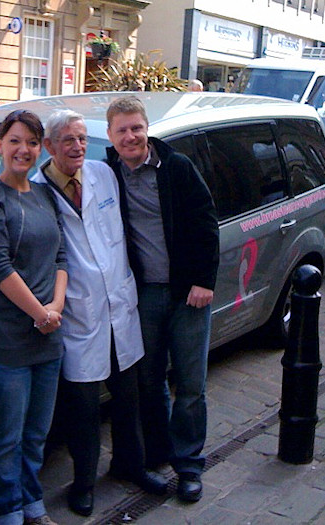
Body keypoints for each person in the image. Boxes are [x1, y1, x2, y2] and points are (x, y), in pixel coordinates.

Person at [32, 109, 168, 517]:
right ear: (50, 146)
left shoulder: (103, 174)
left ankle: (131, 465)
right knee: (84, 408)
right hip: (77, 313)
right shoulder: (38, 190)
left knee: (130, 396)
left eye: (81, 138)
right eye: (67, 140)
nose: (76, 146)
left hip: (119, 304)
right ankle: (84, 482)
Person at [105, 95, 219, 503]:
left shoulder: (176, 168)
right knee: (150, 382)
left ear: (146, 128)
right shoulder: (107, 176)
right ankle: (157, 456)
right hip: (144, 297)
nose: (131, 136)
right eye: (122, 130)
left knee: (191, 384)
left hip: (187, 293)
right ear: (111, 135)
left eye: (137, 127)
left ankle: (189, 465)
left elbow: (206, 224)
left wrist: (203, 280)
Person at [0, 110, 68, 525]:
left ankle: (32, 501)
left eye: (31, 142)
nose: (23, 150)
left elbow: (62, 256)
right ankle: (6, 510)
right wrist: (40, 313)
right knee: (6, 437)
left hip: (49, 336)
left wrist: (56, 309)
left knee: (36, 433)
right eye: (14, 140)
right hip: (8, 338)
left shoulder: (45, 195)